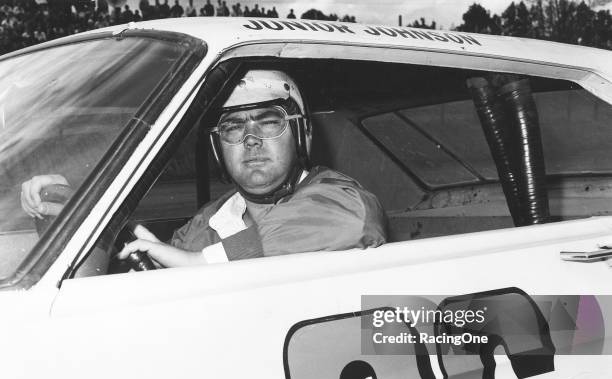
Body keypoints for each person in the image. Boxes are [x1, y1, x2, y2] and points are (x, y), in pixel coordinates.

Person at [21, 70, 387, 268]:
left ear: (302, 132)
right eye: (232, 127)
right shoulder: (204, 226)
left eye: (268, 121)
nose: (250, 139)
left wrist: (198, 262)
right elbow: (164, 271)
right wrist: (63, 211)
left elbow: (353, 223)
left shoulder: (338, 196)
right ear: (217, 146)